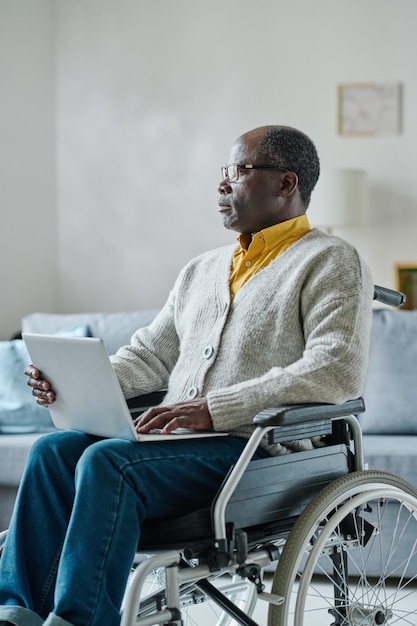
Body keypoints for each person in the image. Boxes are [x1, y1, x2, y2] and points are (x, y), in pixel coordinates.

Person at [0, 125, 374, 626]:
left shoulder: (331, 260)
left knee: (110, 463)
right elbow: (151, 356)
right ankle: (16, 611)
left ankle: (79, 620)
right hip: (184, 447)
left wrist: (215, 408)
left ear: (287, 184)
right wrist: (77, 380)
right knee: (52, 451)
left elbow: (334, 370)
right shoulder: (202, 269)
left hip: (258, 451)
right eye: (225, 172)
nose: (223, 185)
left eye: (239, 172)